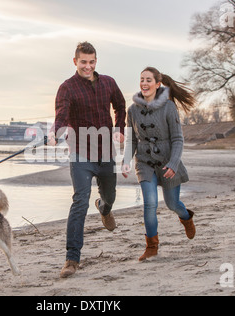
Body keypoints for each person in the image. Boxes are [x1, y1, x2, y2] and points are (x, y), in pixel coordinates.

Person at [48, 42, 126, 278]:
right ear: (75, 62)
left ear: (95, 62)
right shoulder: (67, 88)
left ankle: (104, 209)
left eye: (92, 62)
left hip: (105, 152)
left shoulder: (109, 83)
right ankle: (72, 259)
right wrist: (55, 133)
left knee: (110, 196)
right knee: (80, 201)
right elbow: (61, 117)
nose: (88, 66)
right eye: (83, 62)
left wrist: (120, 128)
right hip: (80, 152)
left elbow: (121, 106)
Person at [122, 67, 196, 261]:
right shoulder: (132, 110)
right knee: (150, 203)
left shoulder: (169, 107)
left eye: (148, 80)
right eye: (141, 79)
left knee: (172, 204)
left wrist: (173, 164)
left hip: (167, 161)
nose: (144, 83)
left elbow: (178, 139)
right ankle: (152, 246)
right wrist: (125, 161)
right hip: (144, 162)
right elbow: (131, 140)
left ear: (157, 84)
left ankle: (186, 217)